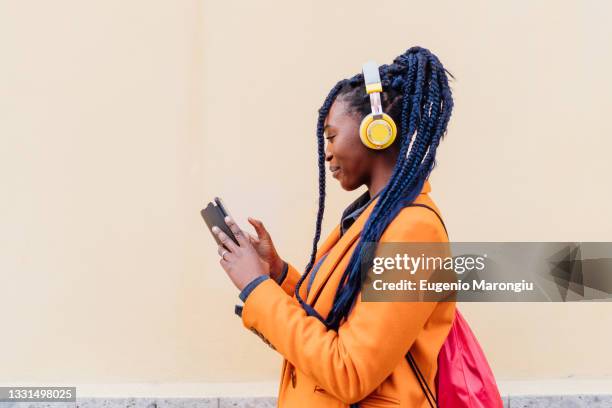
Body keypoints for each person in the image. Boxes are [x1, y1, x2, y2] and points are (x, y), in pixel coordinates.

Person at [212, 46, 455, 407]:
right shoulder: (370, 218)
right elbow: (336, 322)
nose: (326, 152)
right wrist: (277, 275)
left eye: (330, 135)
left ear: (377, 131)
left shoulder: (414, 231)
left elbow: (350, 371)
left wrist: (257, 288)